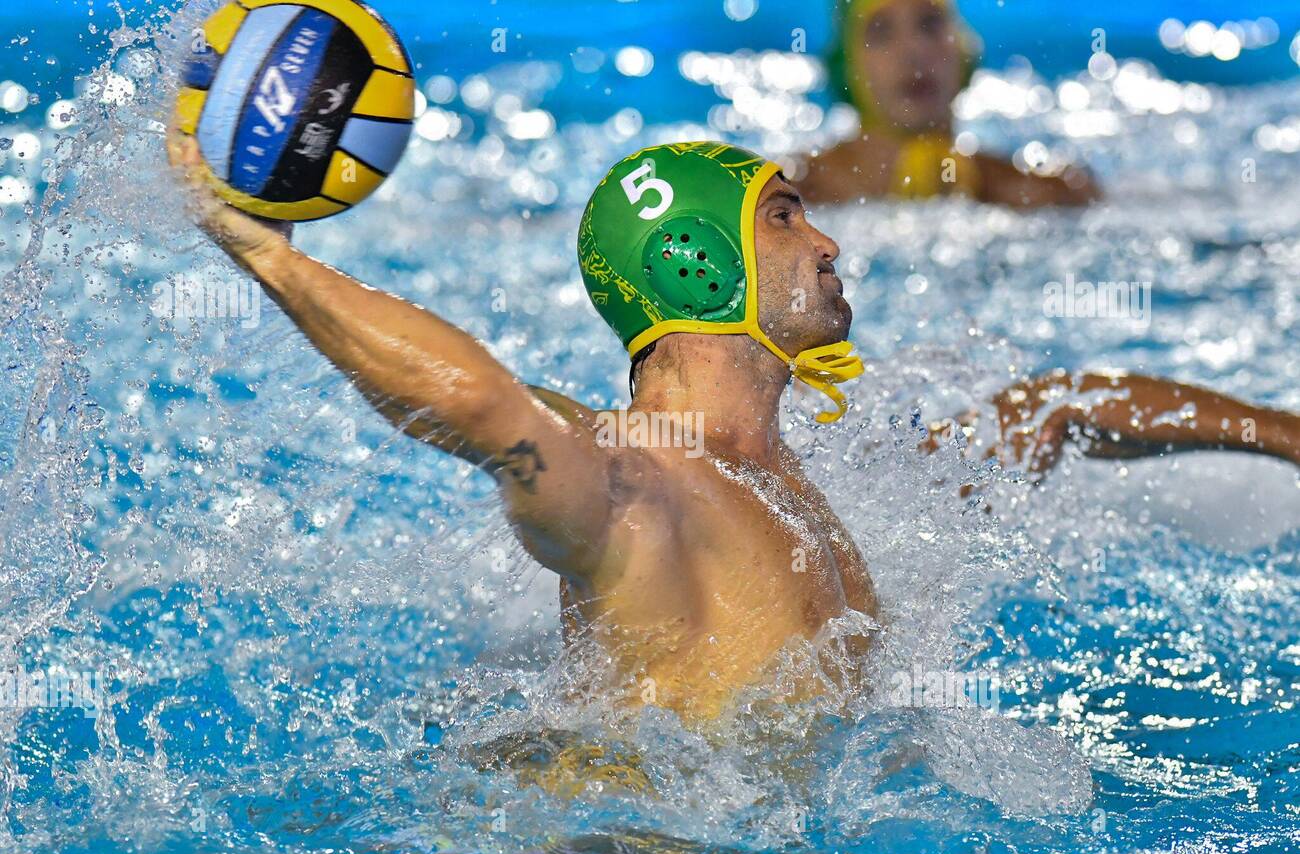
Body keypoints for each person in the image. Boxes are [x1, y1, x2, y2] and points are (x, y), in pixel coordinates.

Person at [168, 133, 1296, 724]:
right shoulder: (634, 483)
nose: (829, 244)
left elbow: (1048, 410)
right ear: (695, 258)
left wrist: (1283, 430)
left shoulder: (802, 475)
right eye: (784, 214)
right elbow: (474, 405)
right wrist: (260, 246)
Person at [795, 0, 1099, 207]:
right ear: (845, 65)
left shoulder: (1040, 194)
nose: (914, 51)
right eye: (881, 31)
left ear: (964, 53)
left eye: (929, 24)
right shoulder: (797, 194)